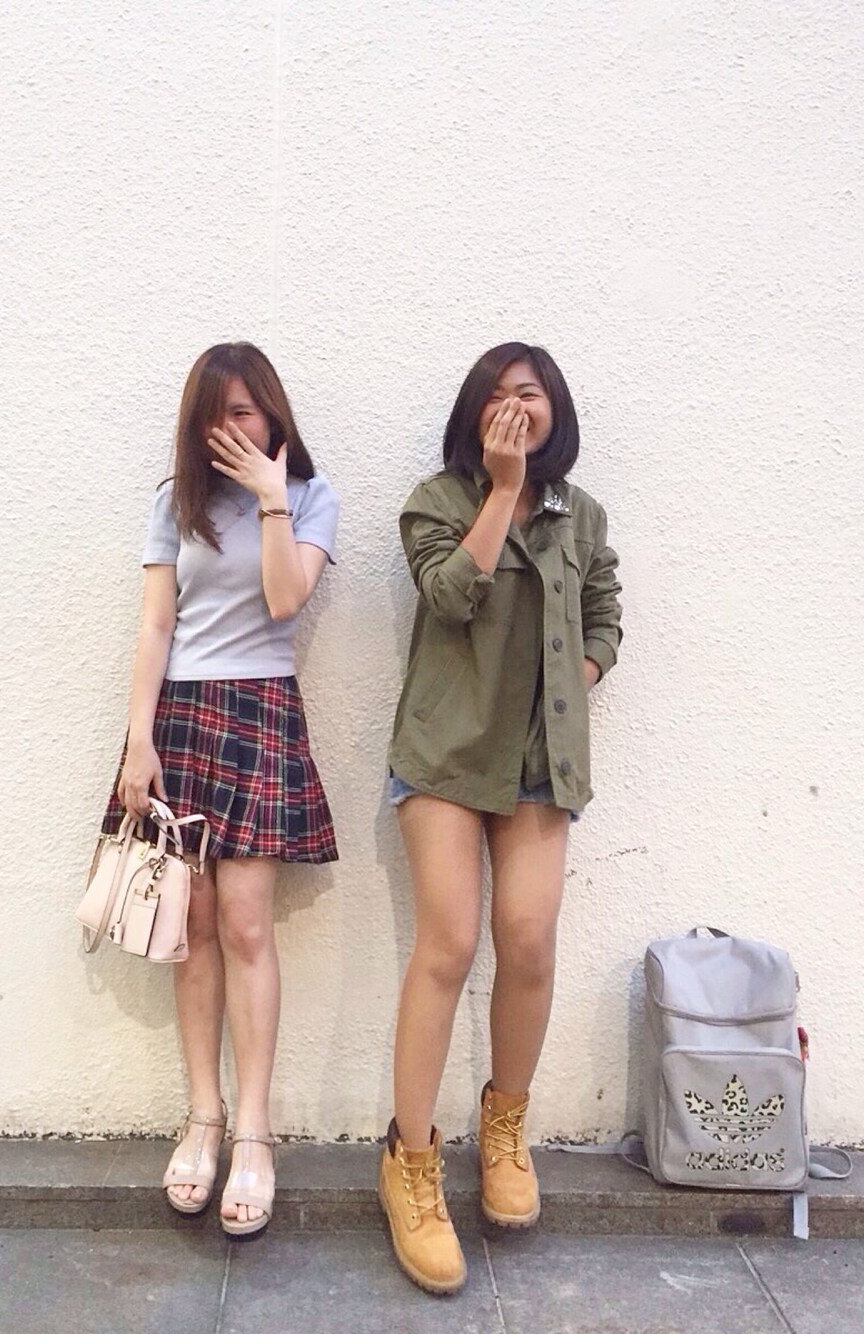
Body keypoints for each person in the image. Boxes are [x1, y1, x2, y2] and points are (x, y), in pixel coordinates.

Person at [378, 343, 622, 1292]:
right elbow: (448, 595)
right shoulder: (438, 500)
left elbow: (604, 608)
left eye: (530, 394)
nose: (513, 407)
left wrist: (582, 672)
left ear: (557, 409)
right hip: (445, 751)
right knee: (447, 944)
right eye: (495, 396)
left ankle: (505, 1126)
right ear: (471, 416)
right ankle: (411, 1162)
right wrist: (503, 489)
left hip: (537, 760)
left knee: (527, 939)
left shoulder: (582, 514)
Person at [101, 342, 339, 1236]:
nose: (231, 428)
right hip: (183, 716)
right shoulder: (176, 502)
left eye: (245, 411)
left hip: (261, 707)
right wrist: (138, 741)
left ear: (272, 415)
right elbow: (156, 625)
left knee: (245, 926)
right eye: (216, 416)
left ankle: (254, 1133)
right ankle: (203, 1116)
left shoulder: (311, 496)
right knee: (191, 926)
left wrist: (273, 497)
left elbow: (284, 602)